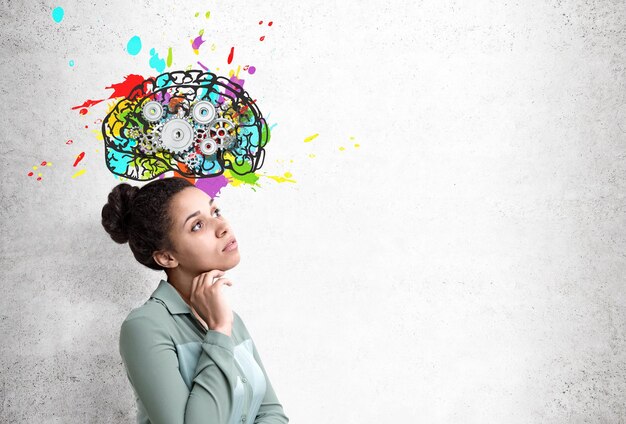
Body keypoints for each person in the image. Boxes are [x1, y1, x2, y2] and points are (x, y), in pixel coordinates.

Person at [101, 177, 289, 424]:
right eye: (197, 225)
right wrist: (219, 332)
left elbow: (271, 413)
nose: (222, 227)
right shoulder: (145, 327)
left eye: (215, 211)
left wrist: (222, 326)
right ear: (167, 257)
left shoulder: (231, 319)